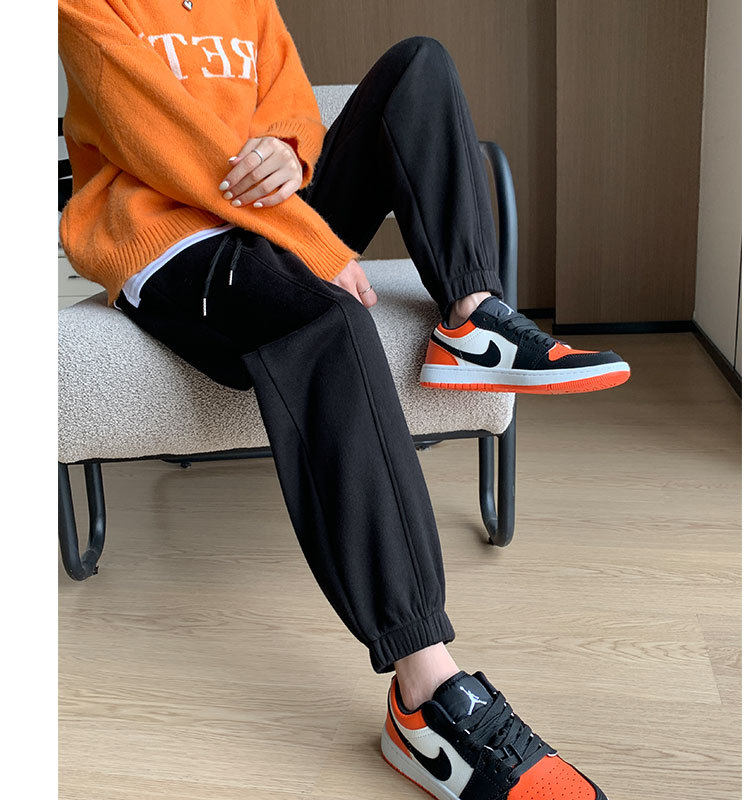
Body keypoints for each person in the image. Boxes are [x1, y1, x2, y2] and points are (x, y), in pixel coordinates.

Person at [59, 2, 628, 797]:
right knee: (330, 319)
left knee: (419, 65)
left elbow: (290, 102)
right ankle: (425, 696)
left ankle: (472, 315)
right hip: (172, 238)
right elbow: (160, 138)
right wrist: (313, 244)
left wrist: (289, 150)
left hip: (268, 215)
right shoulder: (87, 7)